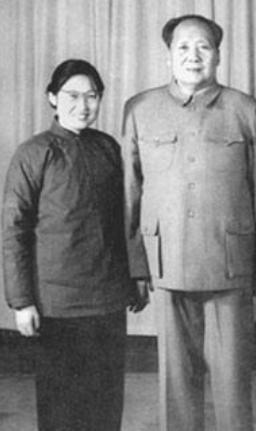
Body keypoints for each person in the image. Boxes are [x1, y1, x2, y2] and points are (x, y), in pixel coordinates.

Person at [122, 14, 256, 431]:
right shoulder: (140, 109)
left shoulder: (245, 110)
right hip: (166, 261)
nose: (193, 55)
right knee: (176, 383)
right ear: (168, 56)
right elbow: (130, 193)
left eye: (203, 46)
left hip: (229, 261)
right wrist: (137, 266)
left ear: (218, 55)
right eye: (183, 47)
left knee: (232, 383)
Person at [2, 59, 146, 431]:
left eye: (92, 96)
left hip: (108, 300)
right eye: (72, 95)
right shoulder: (34, 153)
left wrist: (137, 277)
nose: (83, 105)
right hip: (56, 306)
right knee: (61, 408)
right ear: (52, 97)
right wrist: (22, 302)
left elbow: (128, 219)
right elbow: (13, 231)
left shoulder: (108, 148)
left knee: (105, 405)